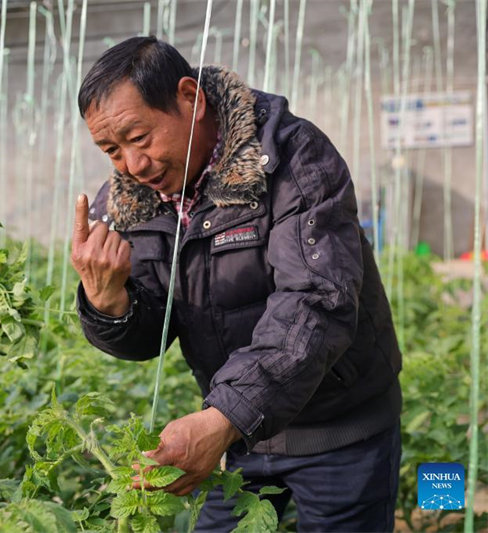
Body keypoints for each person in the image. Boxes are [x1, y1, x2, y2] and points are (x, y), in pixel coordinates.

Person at [71, 36, 402, 531]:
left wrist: (221, 418)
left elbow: (315, 301)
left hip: (339, 430)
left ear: (192, 98)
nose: (132, 165)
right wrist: (107, 300)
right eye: (111, 150)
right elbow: (149, 335)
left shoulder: (292, 159)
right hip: (238, 433)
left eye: (139, 138)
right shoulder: (130, 201)